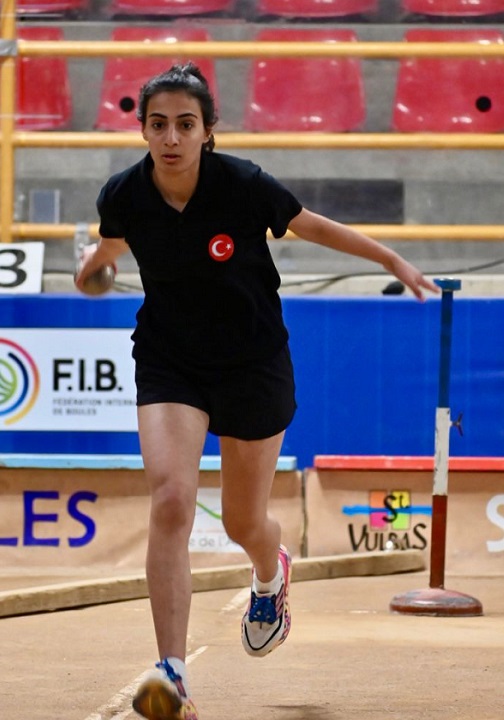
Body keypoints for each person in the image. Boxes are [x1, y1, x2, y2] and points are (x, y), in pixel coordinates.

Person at [75, 63, 438, 720]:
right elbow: (109, 249)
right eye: (158, 124)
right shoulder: (123, 193)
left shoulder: (242, 184)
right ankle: (173, 673)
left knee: (245, 521)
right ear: (144, 130)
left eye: (185, 124)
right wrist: (91, 270)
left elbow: (311, 225)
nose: (171, 138)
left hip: (253, 362)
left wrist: (389, 258)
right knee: (171, 499)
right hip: (171, 361)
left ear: (208, 130)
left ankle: (270, 574)